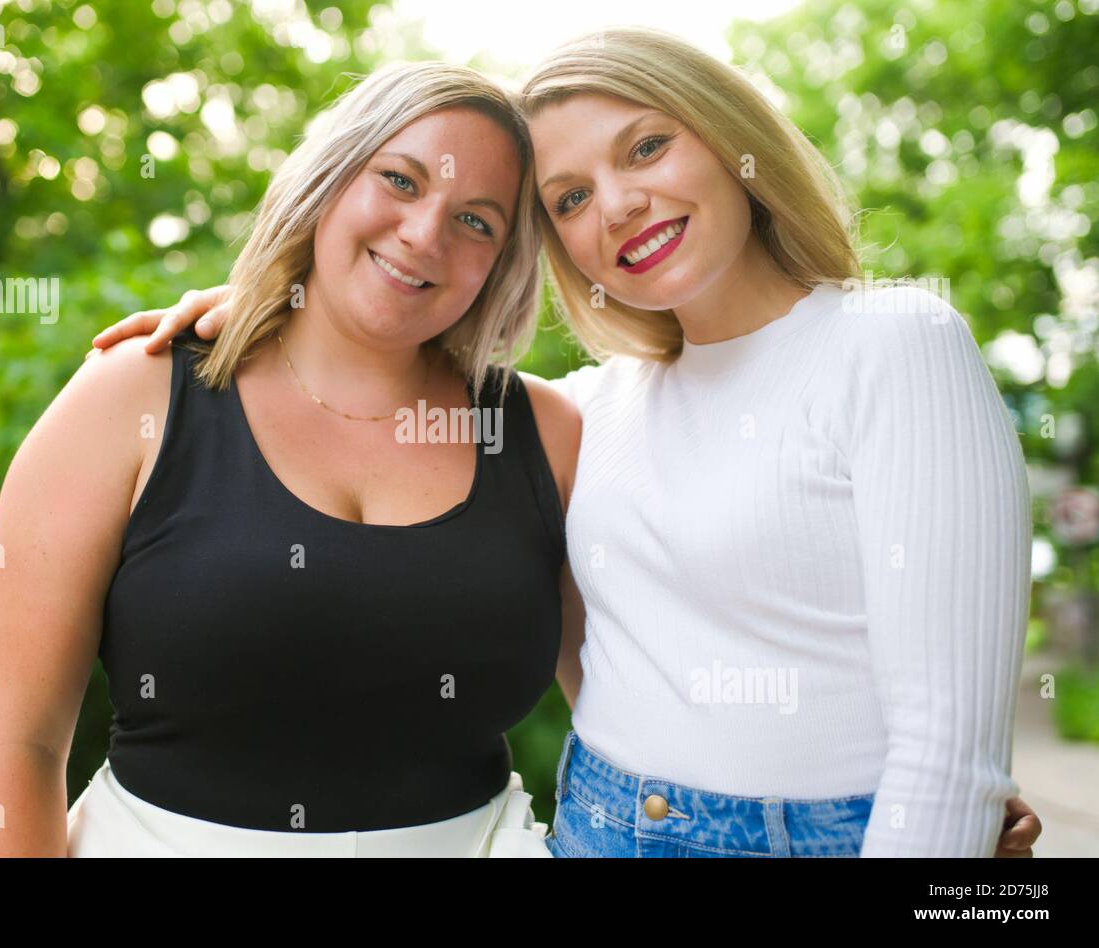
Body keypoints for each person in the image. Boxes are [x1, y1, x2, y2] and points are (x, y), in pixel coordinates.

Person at [98, 29, 1043, 858]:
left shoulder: (892, 344)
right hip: (594, 825)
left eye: (647, 147)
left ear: (730, 137)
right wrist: (268, 312)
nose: (620, 206)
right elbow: (383, 387)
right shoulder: (586, 412)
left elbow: (951, 758)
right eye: (569, 198)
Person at [0, 61, 581, 858]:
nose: (425, 232)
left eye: (477, 221)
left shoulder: (546, 432)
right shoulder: (131, 398)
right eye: (398, 180)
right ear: (327, 181)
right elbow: (16, 746)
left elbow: (627, 714)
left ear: (504, 261)